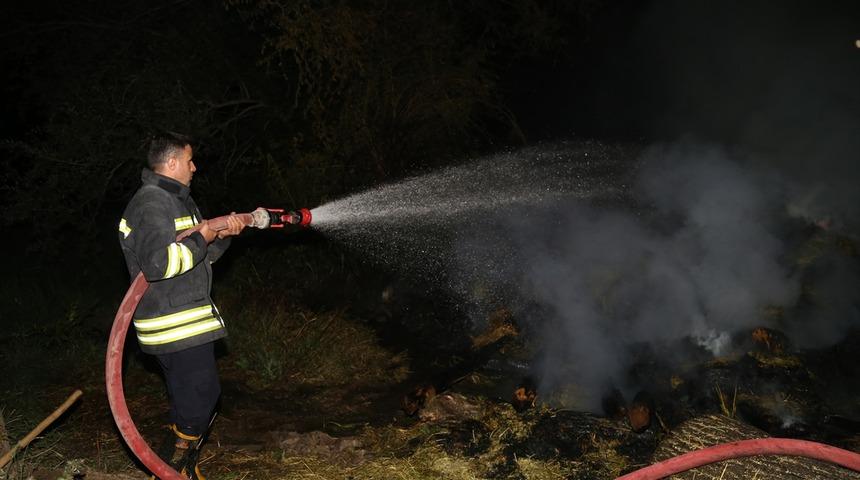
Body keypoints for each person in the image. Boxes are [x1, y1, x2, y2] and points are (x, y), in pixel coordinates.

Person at [118, 133, 245, 479]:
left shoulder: (177, 201)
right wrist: (201, 238)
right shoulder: (151, 203)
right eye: (189, 161)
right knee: (202, 395)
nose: (194, 167)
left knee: (191, 399)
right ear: (172, 163)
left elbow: (198, 258)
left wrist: (222, 237)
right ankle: (172, 467)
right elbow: (158, 265)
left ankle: (179, 468)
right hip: (173, 322)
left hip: (186, 317)